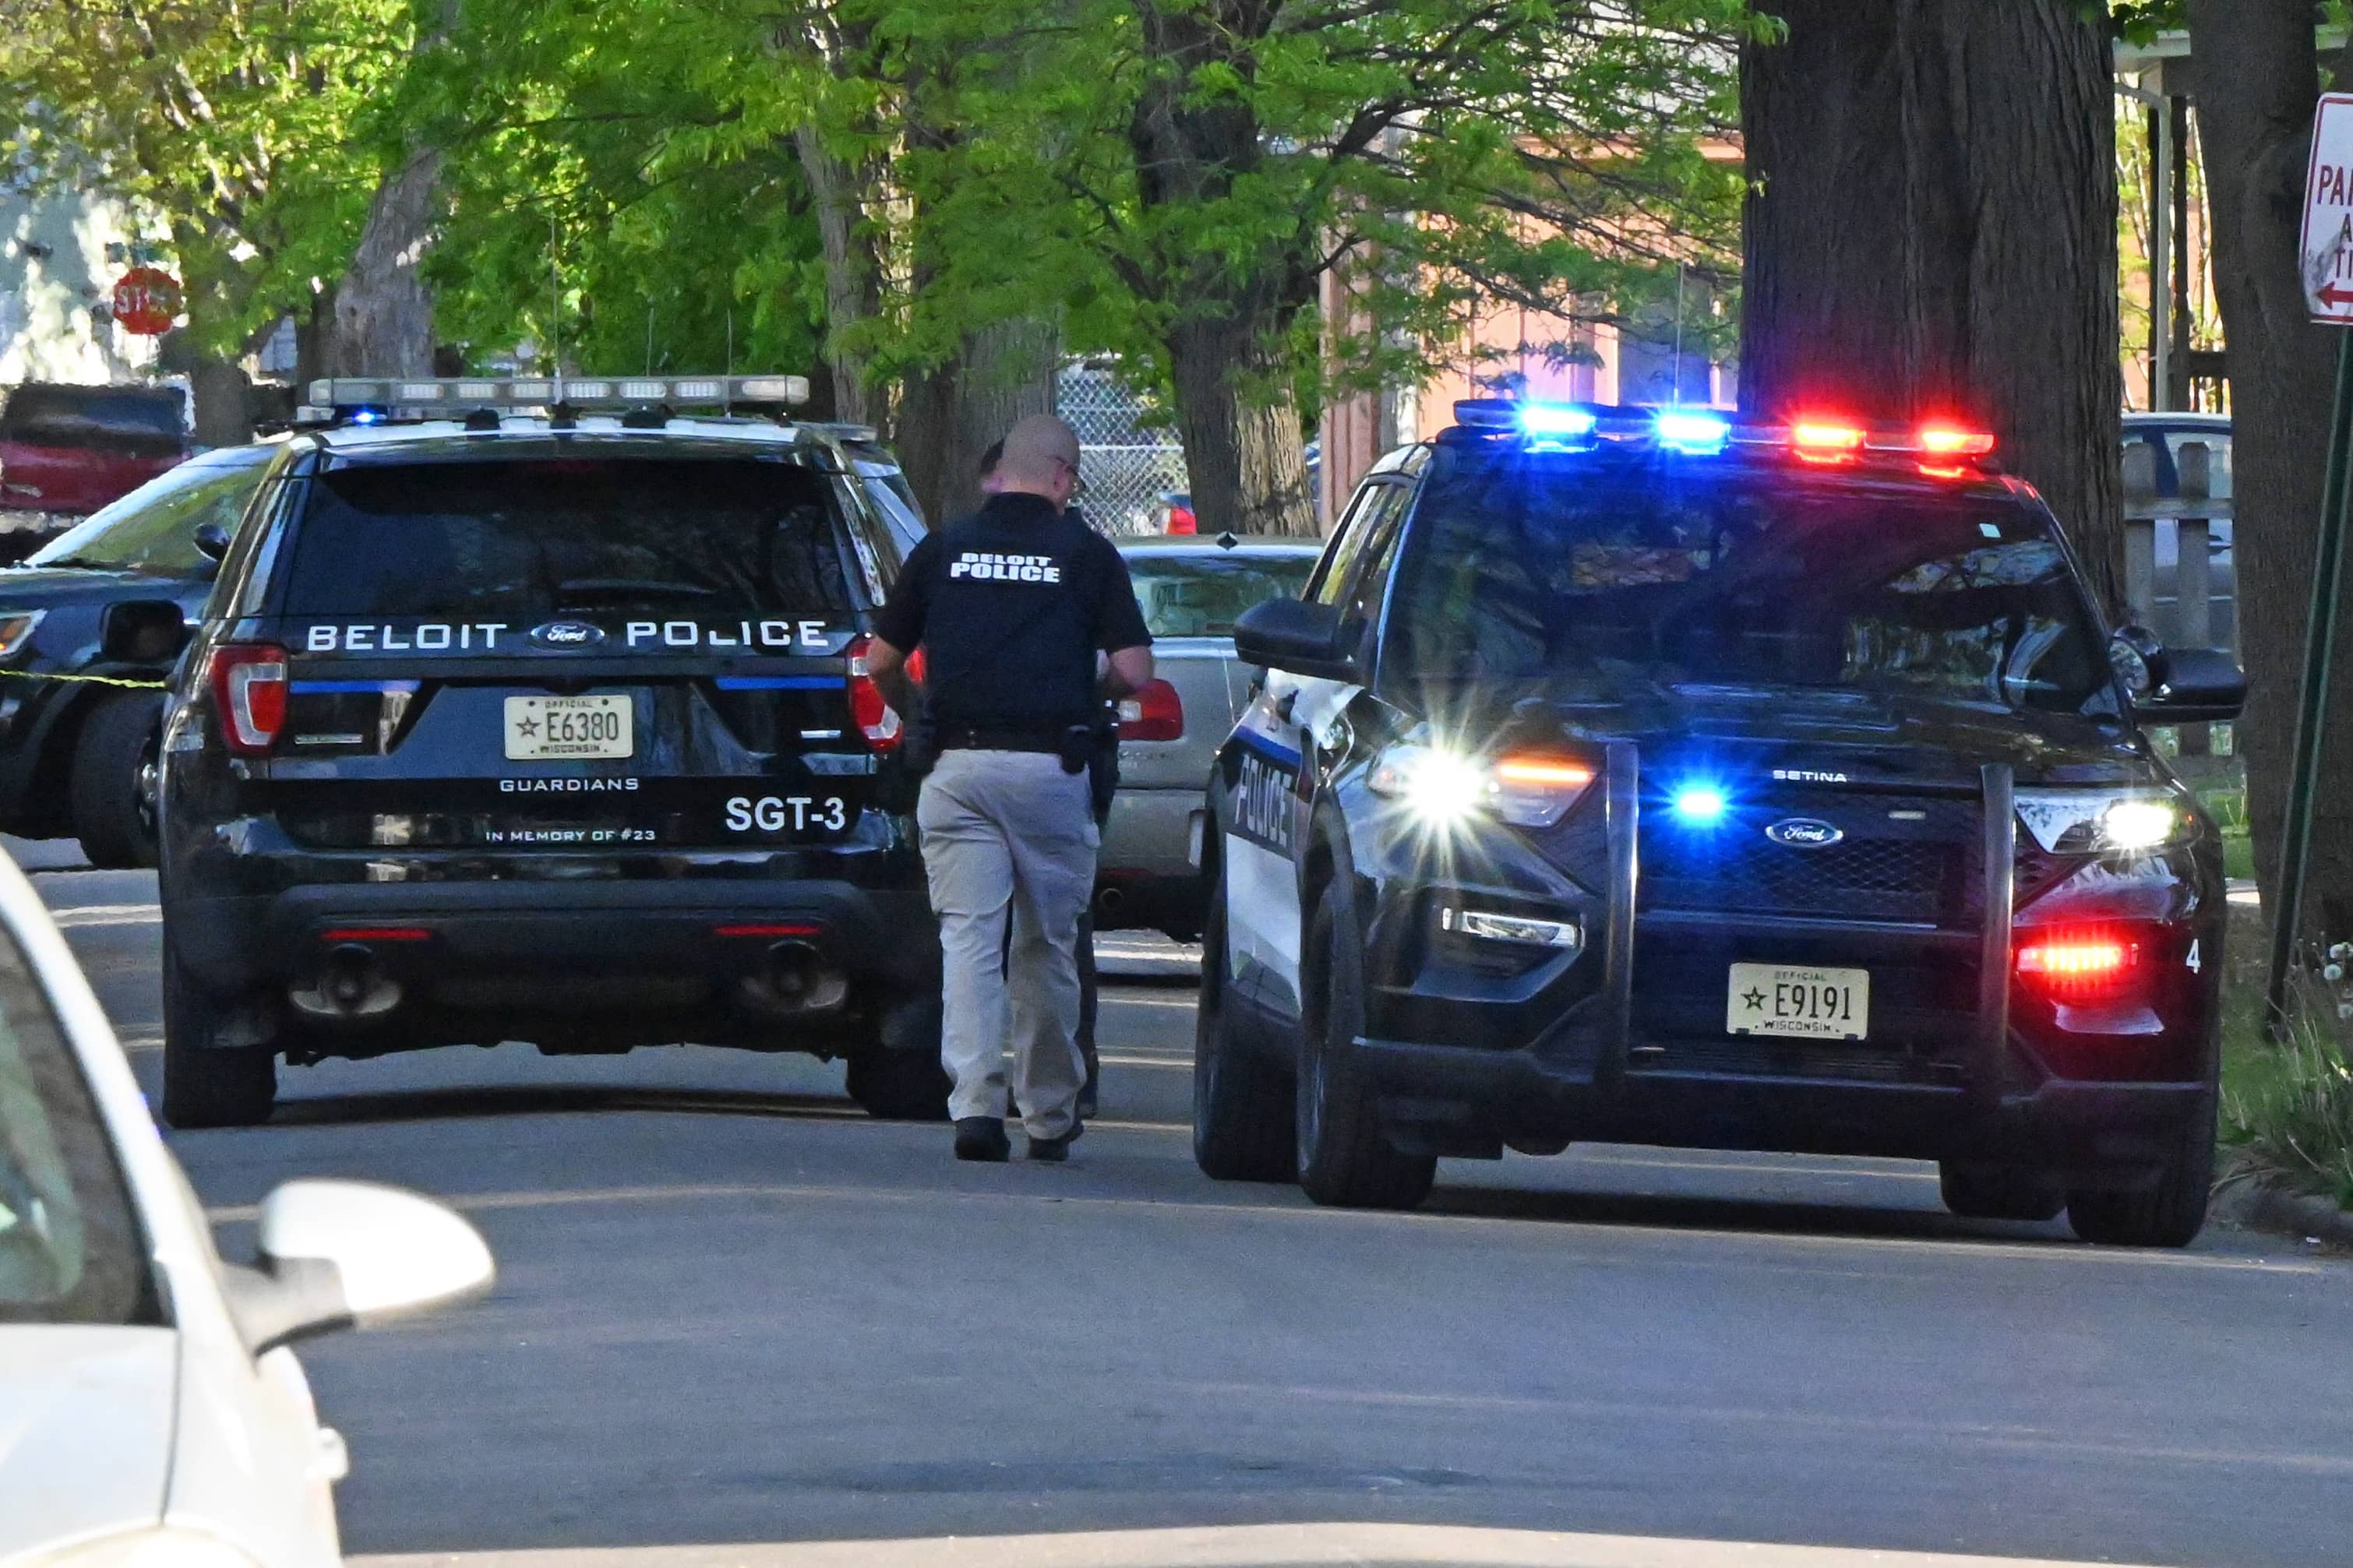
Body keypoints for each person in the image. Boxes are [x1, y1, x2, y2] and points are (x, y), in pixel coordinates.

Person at [867, 415, 1152, 1162]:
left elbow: (879, 660)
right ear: (1062, 474)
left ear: (1004, 473)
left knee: (967, 942)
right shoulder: (1088, 556)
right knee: (1046, 945)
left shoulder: (944, 549)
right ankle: (1050, 1114)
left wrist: (916, 714)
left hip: (957, 771)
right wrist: (1086, 680)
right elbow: (1136, 670)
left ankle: (974, 1110)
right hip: (1048, 771)